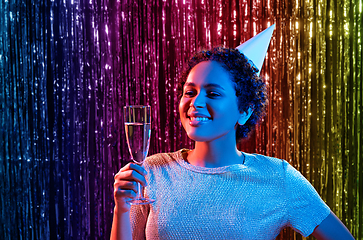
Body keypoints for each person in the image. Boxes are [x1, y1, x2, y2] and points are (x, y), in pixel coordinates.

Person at [111, 26, 355, 240]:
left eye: (213, 93)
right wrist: (121, 208)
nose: (195, 103)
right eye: (190, 92)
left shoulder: (278, 177)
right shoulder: (151, 171)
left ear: (244, 112)